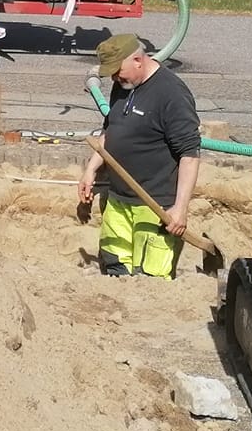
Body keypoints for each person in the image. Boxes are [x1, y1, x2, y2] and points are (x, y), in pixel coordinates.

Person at [77, 33, 202, 278]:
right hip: (118, 201)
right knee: (115, 269)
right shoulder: (123, 85)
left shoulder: (171, 94)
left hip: (155, 207)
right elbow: (110, 131)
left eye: (118, 71)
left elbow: (189, 154)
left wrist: (180, 208)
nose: (115, 78)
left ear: (137, 60)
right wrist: (91, 170)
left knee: (151, 279)